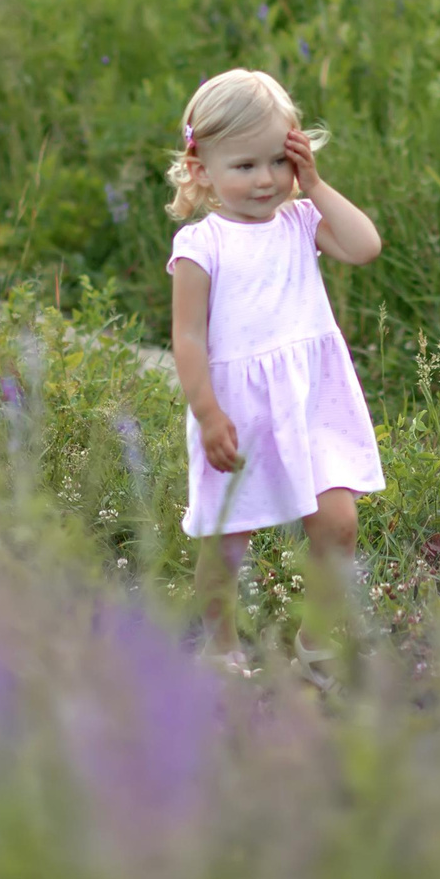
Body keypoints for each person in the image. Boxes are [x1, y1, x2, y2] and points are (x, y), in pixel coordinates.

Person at [164, 67, 384, 681]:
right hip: (237, 411)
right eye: (244, 165)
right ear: (201, 168)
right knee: (229, 541)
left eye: (278, 162)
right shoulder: (201, 245)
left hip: (311, 400)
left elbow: (365, 246)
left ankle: (316, 640)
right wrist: (208, 413)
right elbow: (187, 339)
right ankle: (220, 646)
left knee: (339, 523)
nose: (266, 180)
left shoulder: (300, 221)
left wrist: (314, 184)